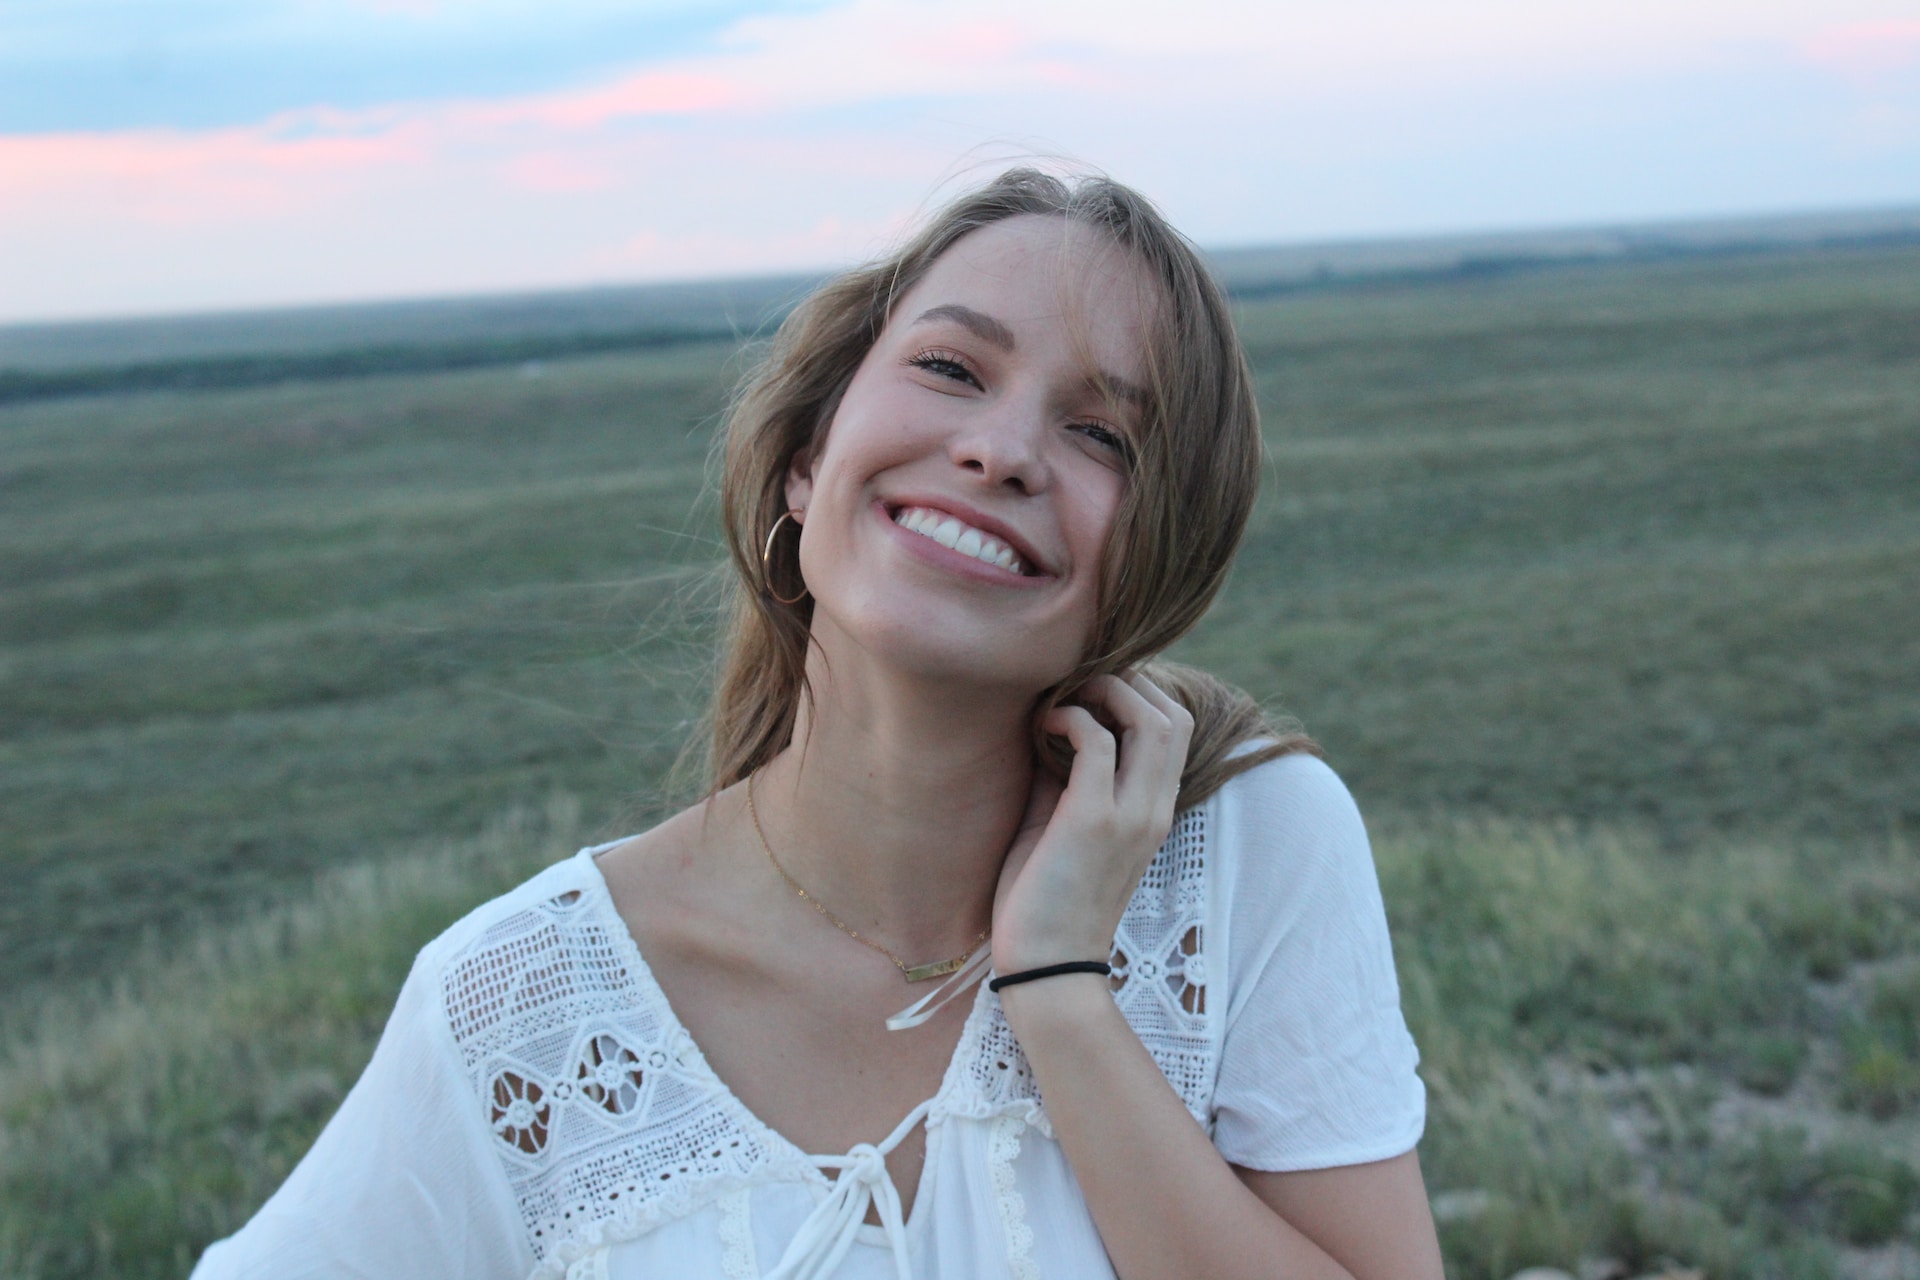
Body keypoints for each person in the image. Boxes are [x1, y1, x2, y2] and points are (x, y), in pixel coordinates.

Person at [193, 168, 1441, 1280]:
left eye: (1103, 432)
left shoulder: (1243, 848)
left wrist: (1061, 989)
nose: (1002, 449)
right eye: (952, 368)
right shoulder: (522, 1002)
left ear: (1158, 558)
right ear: (807, 458)